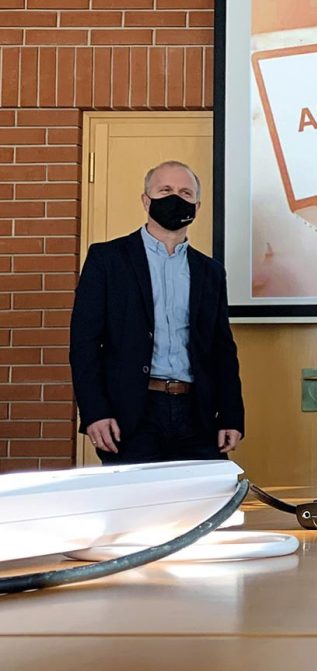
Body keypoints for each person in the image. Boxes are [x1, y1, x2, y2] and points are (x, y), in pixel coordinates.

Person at [70, 161, 245, 464]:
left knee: (202, 508)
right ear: (146, 200)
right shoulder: (107, 259)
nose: (175, 198)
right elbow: (84, 342)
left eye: (185, 192)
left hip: (197, 416)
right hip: (131, 416)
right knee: (135, 508)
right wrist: (95, 411)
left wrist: (231, 414)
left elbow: (222, 348)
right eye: (165, 190)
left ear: (197, 205)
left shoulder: (210, 272)